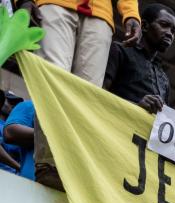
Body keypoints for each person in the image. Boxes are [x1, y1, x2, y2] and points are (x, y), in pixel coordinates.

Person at [17, 0, 141, 191]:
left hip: (100, 13)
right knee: (53, 80)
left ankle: (74, 166)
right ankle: (48, 164)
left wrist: (131, 13)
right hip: (55, 3)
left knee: (86, 95)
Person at [104, 4, 175, 113]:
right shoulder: (120, 51)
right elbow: (99, 92)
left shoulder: (164, 78)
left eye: (173, 31)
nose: (169, 34)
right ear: (144, 26)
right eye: (164, 25)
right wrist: (136, 107)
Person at [2, 100, 35, 180]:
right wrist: (17, 166)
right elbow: (9, 134)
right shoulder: (31, 106)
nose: (11, 106)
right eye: (10, 102)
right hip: (29, 182)